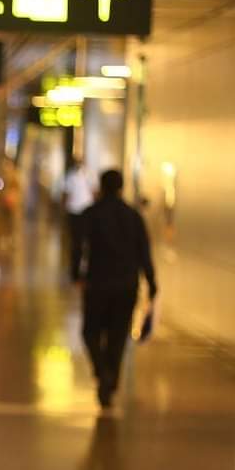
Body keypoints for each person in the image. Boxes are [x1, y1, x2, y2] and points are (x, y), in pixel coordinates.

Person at [71, 168, 157, 409]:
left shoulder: (91, 214)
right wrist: (151, 282)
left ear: (101, 186)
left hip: (97, 284)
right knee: (117, 335)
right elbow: (144, 252)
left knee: (90, 332)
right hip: (126, 285)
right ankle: (111, 377)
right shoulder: (133, 217)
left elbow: (78, 247)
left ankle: (102, 372)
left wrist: (76, 274)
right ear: (121, 187)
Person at [62, 162, 95, 257]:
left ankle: (80, 254)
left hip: (85, 210)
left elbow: (93, 192)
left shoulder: (89, 175)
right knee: (76, 237)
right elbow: (66, 193)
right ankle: (76, 255)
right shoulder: (71, 176)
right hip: (74, 210)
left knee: (82, 236)